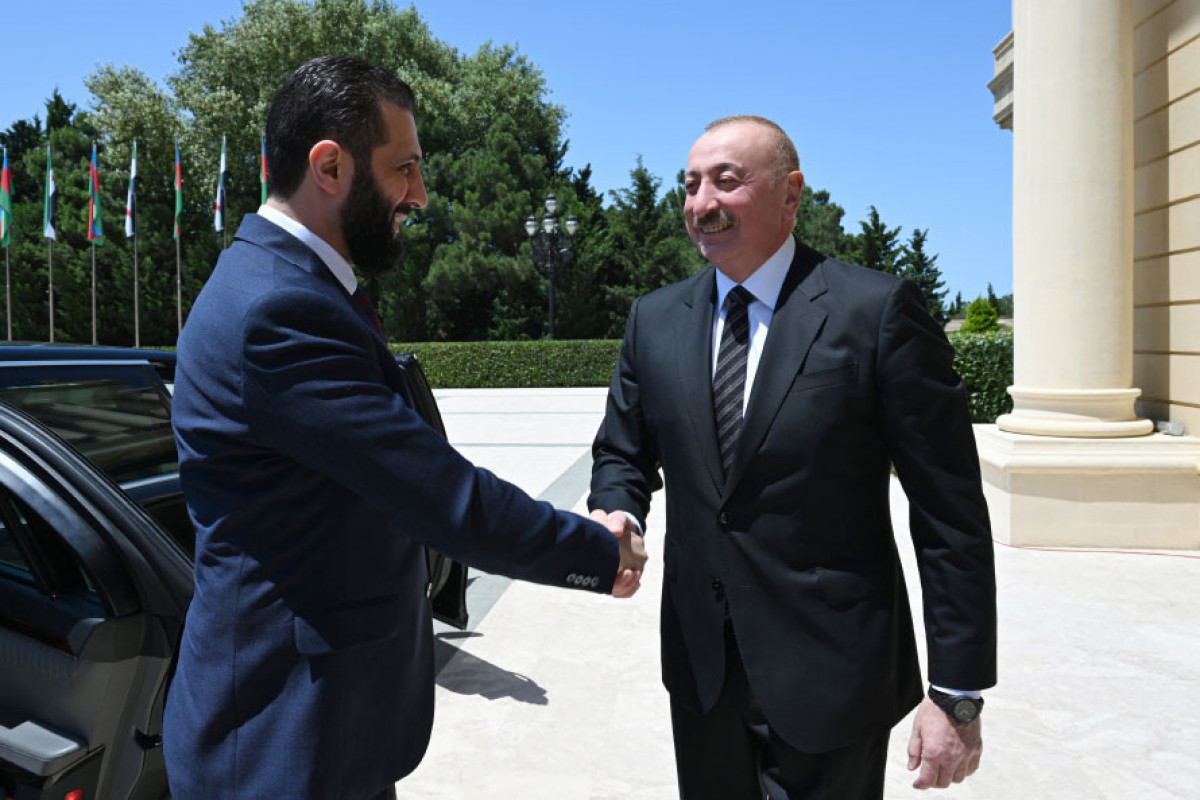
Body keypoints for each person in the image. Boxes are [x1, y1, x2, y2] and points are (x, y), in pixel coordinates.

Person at [165, 56, 646, 800]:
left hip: (323, 732)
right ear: (330, 166)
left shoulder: (291, 285)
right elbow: (441, 496)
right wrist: (597, 552)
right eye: (405, 168)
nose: (419, 195)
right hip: (280, 747)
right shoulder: (276, 311)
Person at [589, 115, 996, 799]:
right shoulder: (652, 320)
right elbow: (622, 451)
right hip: (702, 672)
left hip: (833, 676)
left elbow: (948, 508)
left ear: (791, 192)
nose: (703, 202)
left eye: (727, 181)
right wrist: (618, 512)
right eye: (690, 185)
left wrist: (957, 692)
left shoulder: (877, 312)